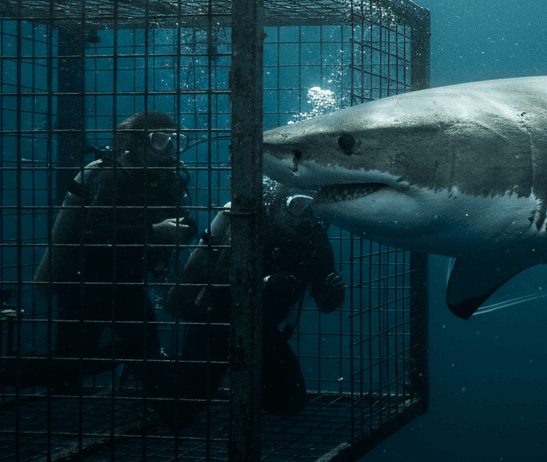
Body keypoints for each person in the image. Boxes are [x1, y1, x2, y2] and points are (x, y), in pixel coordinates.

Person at [27, 110, 196, 393]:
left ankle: (172, 408)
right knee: (69, 373)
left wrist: (182, 231)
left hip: (125, 280)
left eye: (176, 141)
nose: (169, 149)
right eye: (159, 140)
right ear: (136, 143)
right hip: (86, 282)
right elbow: (92, 233)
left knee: (127, 357)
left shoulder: (166, 177)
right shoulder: (113, 175)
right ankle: (10, 371)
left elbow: (185, 220)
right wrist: (153, 232)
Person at [161, 181, 345, 420]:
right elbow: (218, 281)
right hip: (215, 323)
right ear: (278, 200)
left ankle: (238, 374)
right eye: (296, 204)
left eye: (310, 208)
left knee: (290, 403)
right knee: (184, 410)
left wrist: (334, 295)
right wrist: (263, 284)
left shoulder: (315, 238)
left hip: (262, 331)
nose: (302, 214)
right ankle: (169, 366)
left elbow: (325, 302)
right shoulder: (252, 223)